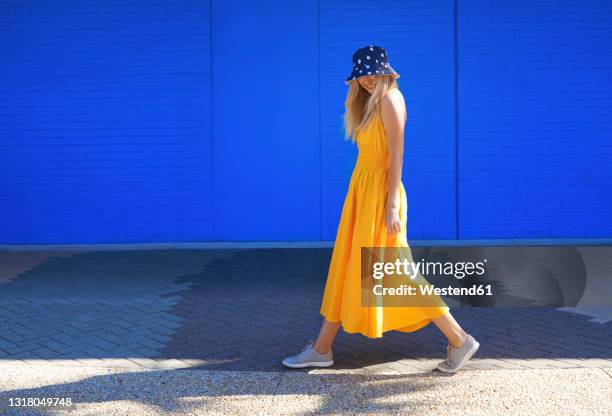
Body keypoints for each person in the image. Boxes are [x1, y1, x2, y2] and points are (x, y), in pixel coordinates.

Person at [282, 45, 479, 373]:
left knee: (396, 271)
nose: (368, 81)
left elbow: (397, 154)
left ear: (386, 71)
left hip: (381, 195)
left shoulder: (391, 99)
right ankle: (322, 347)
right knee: (349, 265)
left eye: (373, 74)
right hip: (363, 190)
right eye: (362, 76)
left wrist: (390, 205)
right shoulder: (370, 103)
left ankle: (459, 339)